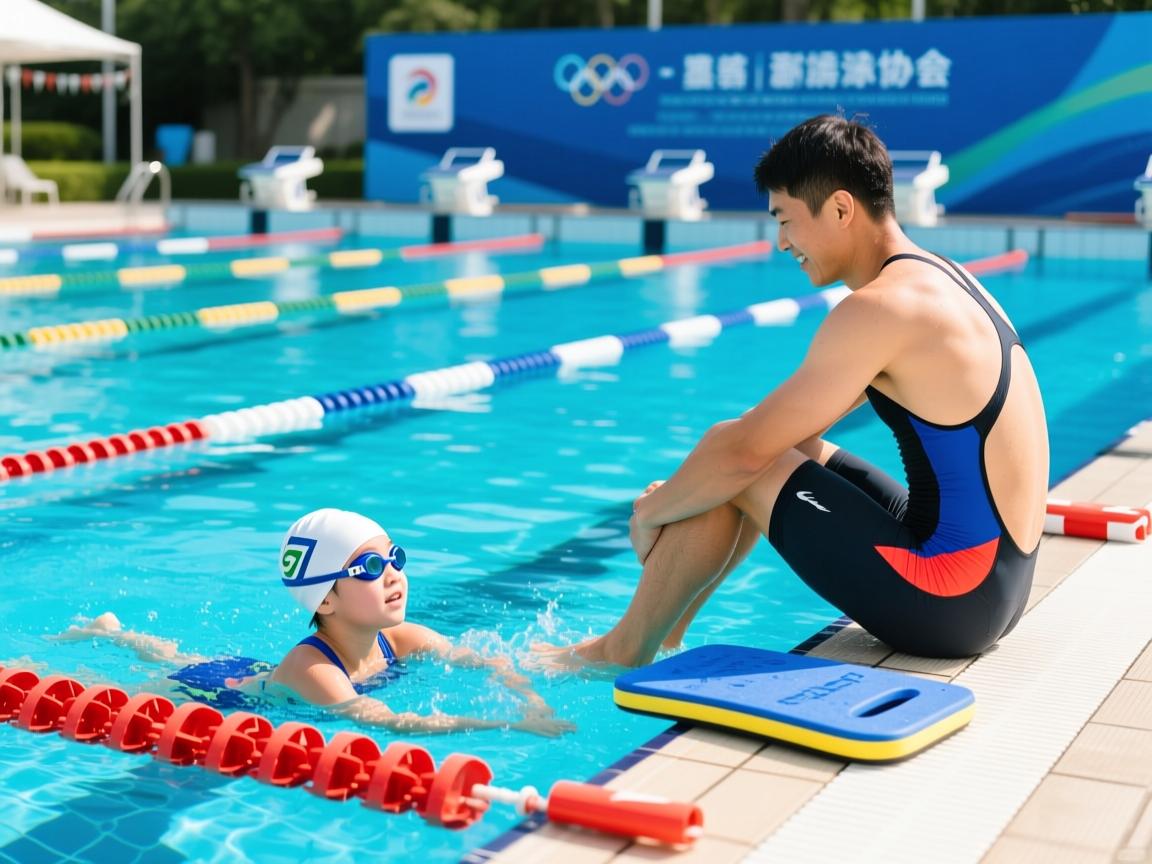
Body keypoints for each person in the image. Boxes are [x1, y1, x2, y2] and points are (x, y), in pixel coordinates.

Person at [561, 115, 1049, 667]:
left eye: (786, 220)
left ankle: (623, 649)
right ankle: (667, 634)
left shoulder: (882, 307)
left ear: (841, 209)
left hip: (953, 596)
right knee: (751, 447)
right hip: (994, 587)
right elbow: (782, 436)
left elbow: (745, 454)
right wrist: (688, 490)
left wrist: (652, 513)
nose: (781, 242)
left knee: (744, 457)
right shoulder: (942, 279)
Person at [57, 508, 574, 737]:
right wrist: (505, 725)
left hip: (251, 671)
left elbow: (487, 660)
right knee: (120, 689)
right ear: (324, 600)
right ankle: (69, 652)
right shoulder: (313, 670)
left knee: (177, 654)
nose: (393, 574)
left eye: (395, 557)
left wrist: (530, 699)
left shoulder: (402, 637)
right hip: (220, 696)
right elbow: (389, 721)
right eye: (371, 568)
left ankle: (113, 630)